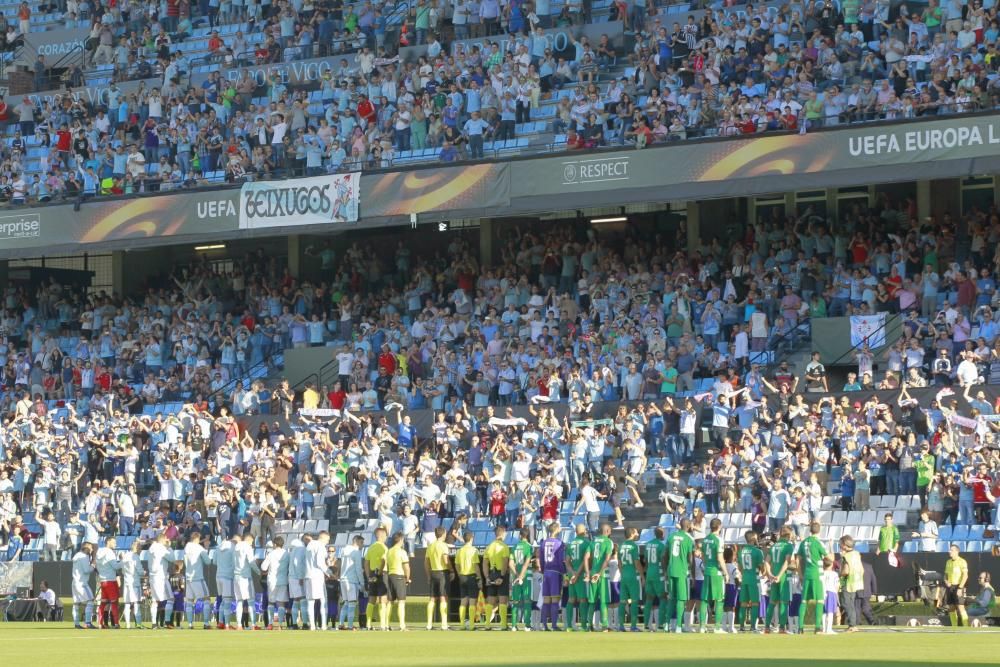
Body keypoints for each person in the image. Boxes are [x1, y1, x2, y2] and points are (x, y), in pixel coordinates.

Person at [798, 521, 828, 634]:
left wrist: (800, 574)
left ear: (810, 530)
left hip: (807, 574)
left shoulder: (804, 542)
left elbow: (798, 560)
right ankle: (817, 627)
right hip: (817, 574)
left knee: (804, 601)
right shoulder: (818, 543)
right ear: (819, 530)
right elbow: (828, 558)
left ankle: (800, 628)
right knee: (819, 601)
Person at [699, 517, 727, 633]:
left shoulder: (705, 540)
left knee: (704, 600)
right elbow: (720, 558)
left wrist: (706, 567)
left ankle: (701, 627)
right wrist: (725, 572)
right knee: (719, 599)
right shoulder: (719, 540)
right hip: (716, 572)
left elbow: (704, 557)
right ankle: (717, 627)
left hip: (707, 571)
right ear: (719, 526)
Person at [666, 518, 695, 633]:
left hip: (671, 570)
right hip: (682, 571)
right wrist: (692, 574)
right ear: (688, 526)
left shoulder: (671, 536)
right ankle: (678, 626)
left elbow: (665, 554)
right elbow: (690, 558)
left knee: (671, 598)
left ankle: (667, 625)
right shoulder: (689, 539)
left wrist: (666, 569)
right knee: (681, 599)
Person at [766, 526, 795, 633]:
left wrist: (770, 574)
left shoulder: (774, 546)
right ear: (789, 534)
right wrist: (779, 575)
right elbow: (787, 562)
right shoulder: (788, 546)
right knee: (783, 602)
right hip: (783, 577)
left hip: (773, 575)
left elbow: (766, 562)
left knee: (772, 602)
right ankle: (782, 628)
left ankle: (766, 627)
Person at [537, 521, 565, 631]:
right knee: (555, 599)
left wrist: (544, 570)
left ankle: (544, 625)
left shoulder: (543, 543)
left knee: (546, 599)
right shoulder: (559, 543)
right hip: (555, 572)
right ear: (557, 529)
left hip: (547, 572)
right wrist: (563, 572)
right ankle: (553, 625)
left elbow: (542, 559)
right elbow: (560, 560)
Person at [737, 530, 766, 633]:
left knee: (743, 603)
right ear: (753, 538)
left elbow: (740, 567)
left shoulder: (741, 551)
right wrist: (764, 571)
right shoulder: (758, 551)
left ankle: (741, 627)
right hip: (754, 578)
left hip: (745, 578)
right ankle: (753, 627)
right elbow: (762, 568)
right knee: (755, 603)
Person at [183, 532, 213, 630]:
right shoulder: (199, 548)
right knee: (206, 599)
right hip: (198, 577)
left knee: (190, 601)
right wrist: (207, 548)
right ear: (197, 539)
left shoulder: (187, 547)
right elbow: (208, 561)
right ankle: (206, 623)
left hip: (188, 578)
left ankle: (190, 624)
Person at [588, 522, 614, 632]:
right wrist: (600, 572)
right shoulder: (608, 542)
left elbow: (588, 557)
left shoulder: (593, 541)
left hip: (592, 573)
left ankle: (589, 625)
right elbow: (607, 559)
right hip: (602, 575)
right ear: (608, 531)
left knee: (592, 601)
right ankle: (604, 625)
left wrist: (590, 571)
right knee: (603, 601)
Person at [483, 525, 511, 630]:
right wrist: (502, 577)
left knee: (490, 600)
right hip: (500, 573)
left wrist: (487, 577)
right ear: (503, 533)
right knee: (502, 600)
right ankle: (503, 625)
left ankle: (487, 625)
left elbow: (485, 563)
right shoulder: (504, 547)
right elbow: (505, 563)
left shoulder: (489, 546)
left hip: (491, 574)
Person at [565, 523, 592, 631]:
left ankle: (569, 626)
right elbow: (585, 560)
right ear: (584, 531)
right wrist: (577, 574)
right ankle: (584, 626)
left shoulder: (570, 543)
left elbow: (567, 561)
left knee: (571, 599)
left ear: (576, 532)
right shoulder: (586, 542)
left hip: (572, 575)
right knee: (583, 599)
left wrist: (572, 573)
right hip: (581, 575)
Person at [424, 527, 451, 631]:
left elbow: (426, 563)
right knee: (443, 597)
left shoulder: (430, 546)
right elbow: (446, 560)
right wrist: (451, 570)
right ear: (443, 534)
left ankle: (429, 624)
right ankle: (444, 624)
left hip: (433, 572)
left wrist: (428, 575)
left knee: (432, 599)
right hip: (442, 573)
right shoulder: (443, 546)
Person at [261, 535, 290, 629]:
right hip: (283, 580)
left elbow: (263, 567)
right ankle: (280, 625)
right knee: (281, 603)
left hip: (272, 580)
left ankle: (270, 624)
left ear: (274, 544)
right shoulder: (287, 554)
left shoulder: (271, 554)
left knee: (271, 602)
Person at [148, 533, 176, 629]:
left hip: (152, 576)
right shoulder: (161, 548)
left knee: (155, 601)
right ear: (163, 539)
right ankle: (167, 621)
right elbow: (172, 559)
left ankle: (154, 623)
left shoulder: (151, 548)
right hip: (161, 576)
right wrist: (169, 547)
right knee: (171, 599)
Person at [384, 531, 411, 631]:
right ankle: (402, 625)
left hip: (390, 576)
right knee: (401, 602)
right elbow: (407, 567)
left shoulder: (389, 551)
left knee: (390, 602)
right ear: (401, 540)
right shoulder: (402, 552)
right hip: (399, 577)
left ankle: (386, 625)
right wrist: (407, 579)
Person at [616, 527, 642, 632]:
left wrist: (623, 573)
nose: (638, 534)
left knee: (622, 601)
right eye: (636, 532)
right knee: (634, 601)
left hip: (624, 576)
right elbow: (637, 563)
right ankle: (633, 626)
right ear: (632, 534)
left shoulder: (621, 546)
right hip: (633, 576)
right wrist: (642, 575)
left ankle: (621, 626)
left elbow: (619, 563)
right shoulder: (634, 546)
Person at [642, 526, 667, 631]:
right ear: (661, 534)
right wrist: (665, 573)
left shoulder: (647, 545)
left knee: (649, 599)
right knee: (663, 598)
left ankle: (646, 625)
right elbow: (663, 560)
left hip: (649, 574)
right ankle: (660, 625)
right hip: (659, 574)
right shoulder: (661, 546)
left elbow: (645, 560)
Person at [304, 531, 331, 630]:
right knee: (323, 600)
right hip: (317, 576)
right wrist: (329, 572)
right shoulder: (320, 546)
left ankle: (312, 625)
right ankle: (323, 625)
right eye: (327, 540)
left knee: (310, 602)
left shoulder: (309, 545)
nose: (327, 542)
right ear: (323, 538)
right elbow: (320, 563)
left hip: (308, 575)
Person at [363, 527, 389, 630]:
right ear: (382, 536)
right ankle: (382, 624)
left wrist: (369, 575)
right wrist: (380, 572)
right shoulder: (384, 547)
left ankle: (368, 624)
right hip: (382, 573)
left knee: (371, 599)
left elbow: (366, 563)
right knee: (383, 599)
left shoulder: (370, 547)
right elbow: (383, 560)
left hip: (372, 574)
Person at [454, 530, 481, 630]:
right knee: (472, 602)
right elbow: (476, 566)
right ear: (472, 538)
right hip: (471, 577)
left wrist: (459, 574)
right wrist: (480, 578)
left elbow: (456, 564)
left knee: (463, 601)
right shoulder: (473, 550)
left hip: (462, 577)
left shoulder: (460, 551)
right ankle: (471, 625)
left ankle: (462, 625)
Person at [509, 527, 534, 632]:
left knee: (515, 601)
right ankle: (527, 625)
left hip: (515, 577)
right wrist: (521, 576)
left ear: (520, 535)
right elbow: (526, 563)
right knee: (527, 600)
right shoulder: (529, 547)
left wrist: (516, 575)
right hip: (526, 577)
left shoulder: (514, 547)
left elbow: (510, 563)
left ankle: (514, 625)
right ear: (528, 536)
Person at [95, 537, 122, 628]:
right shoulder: (109, 552)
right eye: (114, 542)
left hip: (103, 581)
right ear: (108, 542)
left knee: (103, 603)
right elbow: (116, 566)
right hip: (110, 580)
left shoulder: (99, 552)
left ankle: (100, 623)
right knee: (114, 603)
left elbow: (97, 567)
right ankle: (116, 623)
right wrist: (123, 560)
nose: (115, 544)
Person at [839, 535, 864, 633]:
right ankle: (853, 624)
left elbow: (845, 571)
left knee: (846, 603)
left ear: (845, 545)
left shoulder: (846, 556)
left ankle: (852, 625)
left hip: (847, 581)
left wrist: (839, 574)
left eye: (841, 544)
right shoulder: (856, 554)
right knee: (851, 603)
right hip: (856, 581)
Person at [71, 542, 97, 629]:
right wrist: (93, 565)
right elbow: (86, 570)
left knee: (76, 604)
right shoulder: (84, 557)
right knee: (90, 600)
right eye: (91, 548)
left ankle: (77, 623)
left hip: (75, 582)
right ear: (87, 549)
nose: (92, 550)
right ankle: (88, 623)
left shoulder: (77, 555)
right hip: (82, 583)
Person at [120, 541, 145, 629]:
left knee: (127, 604)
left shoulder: (125, 556)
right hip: (135, 583)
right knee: (136, 603)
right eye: (140, 548)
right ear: (137, 548)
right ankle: (138, 623)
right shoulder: (135, 557)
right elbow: (139, 570)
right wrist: (143, 572)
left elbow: (122, 570)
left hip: (127, 583)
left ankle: (127, 624)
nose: (141, 550)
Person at [944, 543, 970, 627]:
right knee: (951, 608)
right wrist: (946, 581)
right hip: (950, 587)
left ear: (957, 551)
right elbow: (945, 575)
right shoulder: (948, 562)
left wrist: (960, 588)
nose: (949, 551)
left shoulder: (962, 561)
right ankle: (954, 627)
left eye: (951, 550)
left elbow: (965, 576)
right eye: (949, 550)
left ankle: (966, 628)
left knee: (960, 607)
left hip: (958, 587)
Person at [821, 556, 839, 635]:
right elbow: (837, 585)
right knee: (830, 611)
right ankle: (829, 629)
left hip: (822, 592)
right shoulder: (834, 574)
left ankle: (824, 628)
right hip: (831, 592)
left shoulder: (821, 573)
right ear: (831, 565)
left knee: (823, 611)